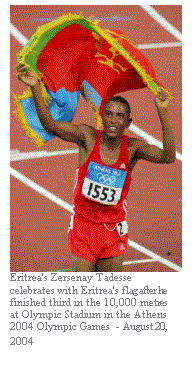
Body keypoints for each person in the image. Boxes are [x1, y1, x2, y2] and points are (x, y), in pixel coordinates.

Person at [17, 64, 176, 272]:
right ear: (102, 117)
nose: (113, 120)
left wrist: (162, 111)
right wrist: (35, 87)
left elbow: (168, 156)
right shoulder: (87, 137)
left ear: (128, 123)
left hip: (112, 229)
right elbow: (51, 125)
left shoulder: (132, 149)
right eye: (109, 114)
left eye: (119, 116)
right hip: (84, 227)